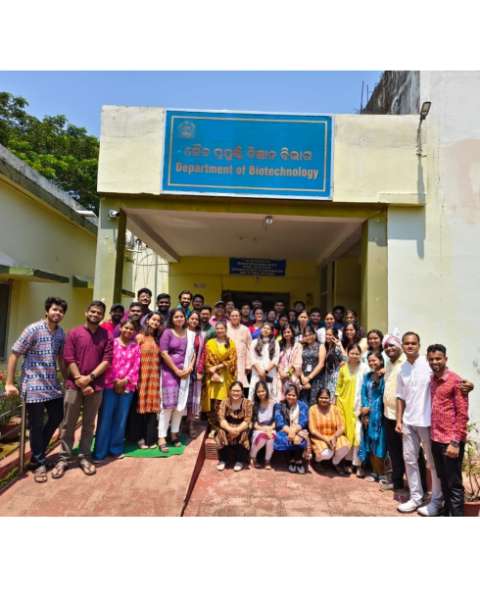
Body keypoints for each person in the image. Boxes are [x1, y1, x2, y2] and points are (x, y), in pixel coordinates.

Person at [396, 332, 473, 516]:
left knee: (433, 465)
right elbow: (400, 396)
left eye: (413, 343)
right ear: (402, 346)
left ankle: (436, 501)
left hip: (428, 424)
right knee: (410, 460)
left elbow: (451, 379)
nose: (410, 346)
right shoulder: (402, 369)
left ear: (419, 345)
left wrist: (469, 385)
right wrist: (399, 420)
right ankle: (416, 497)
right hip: (409, 421)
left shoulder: (428, 364)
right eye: (406, 343)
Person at [5, 297, 68, 483]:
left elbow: (60, 358)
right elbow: (14, 354)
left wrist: (66, 379)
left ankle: (36, 455)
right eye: (55, 309)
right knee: (36, 425)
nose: (58, 313)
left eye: (61, 311)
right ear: (47, 311)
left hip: (52, 385)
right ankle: (39, 462)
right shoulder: (33, 329)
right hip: (33, 385)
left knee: (57, 416)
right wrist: (9, 383)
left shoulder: (60, 333)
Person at [53, 300, 113, 478]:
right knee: (68, 424)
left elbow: (107, 360)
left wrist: (90, 378)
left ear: (102, 316)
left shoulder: (106, 335)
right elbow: (68, 358)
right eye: (92, 311)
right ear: (86, 312)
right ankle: (64, 458)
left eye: (99, 313)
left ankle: (84, 457)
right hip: (74, 385)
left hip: (95, 386)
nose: (95, 315)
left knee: (89, 424)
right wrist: (79, 379)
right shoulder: (74, 333)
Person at [427, 344, 469, 516]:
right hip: (435, 438)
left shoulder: (456, 382)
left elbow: (462, 414)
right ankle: (446, 513)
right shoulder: (431, 379)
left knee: (454, 484)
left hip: (450, 441)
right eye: (431, 359)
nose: (434, 362)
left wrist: (455, 442)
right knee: (443, 479)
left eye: (438, 358)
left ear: (445, 359)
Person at [93, 320, 140, 461]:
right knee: (105, 419)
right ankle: (100, 452)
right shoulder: (111, 343)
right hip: (109, 386)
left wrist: (125, 380)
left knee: (121, 419)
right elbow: (106, 363)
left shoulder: (135, 347)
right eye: (126, 327)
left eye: (131, 329)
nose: (128, 331)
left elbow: (136, 366)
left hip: (127, 387)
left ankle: (116, 449)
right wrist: (115, 381)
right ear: (120, 327)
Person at [158, 309, 195, 452]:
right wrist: (176, 370)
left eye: (181, 316)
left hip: (185, 374)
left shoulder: (190, 334)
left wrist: (189, 368)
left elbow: (193, 353)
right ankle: (162, 436)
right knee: (168, 405)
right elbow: (164, 353)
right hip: (169, 372)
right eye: (176, 317)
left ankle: (174, 433)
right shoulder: (167, 333)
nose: (179, 319)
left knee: (180, 405)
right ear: (172, 319)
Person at [128, 312, 162, 449]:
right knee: (140, 408)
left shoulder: (156, 339)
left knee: (152, 408)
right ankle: (139, 437)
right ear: (147, 320)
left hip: (154, 377)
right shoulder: (140, 337)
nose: (155, 322)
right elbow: (132, 357)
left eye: (158, 321)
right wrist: (134, 377)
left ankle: (150, 438)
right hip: (141, 376)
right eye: (153, 319)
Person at [335, 343, 367, 476]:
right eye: (352, 353)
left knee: (358, 435)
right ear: (347, 354)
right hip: (344, 405)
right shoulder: (343, 368)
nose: (354, 355)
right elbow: (338, 387)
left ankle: (358, 464)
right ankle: (347, 462)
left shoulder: (364, 368)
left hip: (359, 406)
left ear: (360, 354)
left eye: (357, 353)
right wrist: (337, 404)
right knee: (347, 434)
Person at [358, 352, 387, 482]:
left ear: (381, 360)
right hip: (369, 415)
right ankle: (374, 472)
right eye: (369, 361)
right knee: (369, 442)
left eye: (374, 360)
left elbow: (383, 393)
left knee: (380, 444)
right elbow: (363, 393)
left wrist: (380, 378)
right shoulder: (367, 376)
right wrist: (365, 411)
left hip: (381, 415)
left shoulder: (385, 375)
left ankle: (382, 473)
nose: (372, 363)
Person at [308, 387, 350, 475]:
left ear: (329, 399)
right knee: (326, 453)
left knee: (346, 446)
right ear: (317, 398)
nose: (324, 400)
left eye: (326, 398)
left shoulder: (335, 409)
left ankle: (335, 462)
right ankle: (316, 461)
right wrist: (325, 439)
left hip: (334, 436)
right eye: (321, 398)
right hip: (319, 437)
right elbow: (312, 430)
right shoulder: (313, 409)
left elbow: (341, 427)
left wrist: (334, 437)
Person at [204, 321, 237, 430]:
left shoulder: (231, 343)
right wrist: (213, 372)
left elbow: (233, 360)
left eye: (222, 328)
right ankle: (213, 427)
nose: (219, 330)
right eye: (217, 328)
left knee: (222, 402)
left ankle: (222, 426)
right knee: (211, 402)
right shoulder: (210, 343)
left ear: (226, 330)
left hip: (225, 376)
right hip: (211, 376)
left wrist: (218, 367)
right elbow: (205, 359)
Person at [216, 381, 253, 472]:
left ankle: (240, 461)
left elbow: (247, 420)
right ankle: (223, 459)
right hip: (227, 425)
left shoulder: (247, 403)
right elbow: (221, 419)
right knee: (221, 432)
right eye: (233, 390)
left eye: (238, 391)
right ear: (230, 391)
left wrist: (237, 430)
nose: (236, 393)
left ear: (242, 392)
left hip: (241, 426)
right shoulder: (224, 402)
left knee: (243, 434)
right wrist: (230, 430)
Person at [274, 384, 309, 474]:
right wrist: (291, 432)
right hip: (285, 430)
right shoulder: (279, 406)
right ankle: (291, 459)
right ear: (285, 395)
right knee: (285, 439)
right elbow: (279, 422)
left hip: (299, 430)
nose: (291, 397)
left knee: (300, 439)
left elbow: (304, 421)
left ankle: (298, 460)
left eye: (293, 395)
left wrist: (294, 431)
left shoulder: (303, 406)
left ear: (297, 396)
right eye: (289, 394)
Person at [249, 322, 281, 403]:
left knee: (270, 394)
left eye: (268, 329)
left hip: (270, 372)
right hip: (257, 372)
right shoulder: (254, 342)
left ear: (271, 331)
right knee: (255, 394)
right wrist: (260, 371)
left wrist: (265, 371)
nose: (266, 330)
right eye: (264, 328)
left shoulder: (275, 343)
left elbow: (275, 359)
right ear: (260, 329)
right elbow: (252, 358)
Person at [185, 311, 205, 437]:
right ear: (187, 319)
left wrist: (199, 370)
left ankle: (190, 424)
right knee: (181, 396)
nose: (194, 321)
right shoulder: (182, 332)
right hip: (181, 369)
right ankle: (177, 425)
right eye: (192, 318)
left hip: (194, 370)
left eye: (196, 319)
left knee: (192, 399)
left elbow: (202, 354)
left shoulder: (201, 335)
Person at [250, 381, 276, 469]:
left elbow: (276, 421)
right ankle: (253, 457)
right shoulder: (254, 404)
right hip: (259, 428)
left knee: (271, 438)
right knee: (262, 437)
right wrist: (264, 429)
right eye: (258, 392)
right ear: (256, 393)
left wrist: (270, 429)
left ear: (266, 391)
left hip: (271, 427)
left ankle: (267, 461)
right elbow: (254, 423)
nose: (261, 393)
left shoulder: (273, 403)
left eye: (263, 391)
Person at [227, 309, 252, 397]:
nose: (235, 317)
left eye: (237, 316)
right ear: (229, 317)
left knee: (240, 386)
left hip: (242, 362)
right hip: (228, 362)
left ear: (240, 317)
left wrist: (248, 364)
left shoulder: (245, 329)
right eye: (233, 316)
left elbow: (249, 347)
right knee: (228, 386)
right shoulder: (226, 328)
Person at [299, 325, 326, 406]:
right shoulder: (302, 347)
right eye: (306, 335)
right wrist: (303, 377)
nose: (308, 337)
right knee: (303, 403)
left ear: (315, 334)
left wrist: (309, 378)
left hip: (316, 379)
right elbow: (298, 363)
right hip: (303, 379)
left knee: (315, 403)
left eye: (310, 334)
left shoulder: (321, 346)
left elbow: (321, 364)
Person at [278, 324, 303, 391]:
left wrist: (287, 374)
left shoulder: (298, 346)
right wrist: (281, 373)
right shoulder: (280, 346)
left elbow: (297, 363)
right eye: (284, 332)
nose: (286, 334)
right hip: (280, 377)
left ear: (292, 333)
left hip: (292, 377)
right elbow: (277, 362)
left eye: (288, 332)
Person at [322, 328, 345, 400]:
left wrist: (340, 345)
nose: (327, 336)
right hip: (327, 377)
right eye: (326, 334)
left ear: (334, 336)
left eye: (330, 335)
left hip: (335, 377)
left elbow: (345, 359)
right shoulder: (326, 347)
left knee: (333, 399)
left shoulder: (336, 347)